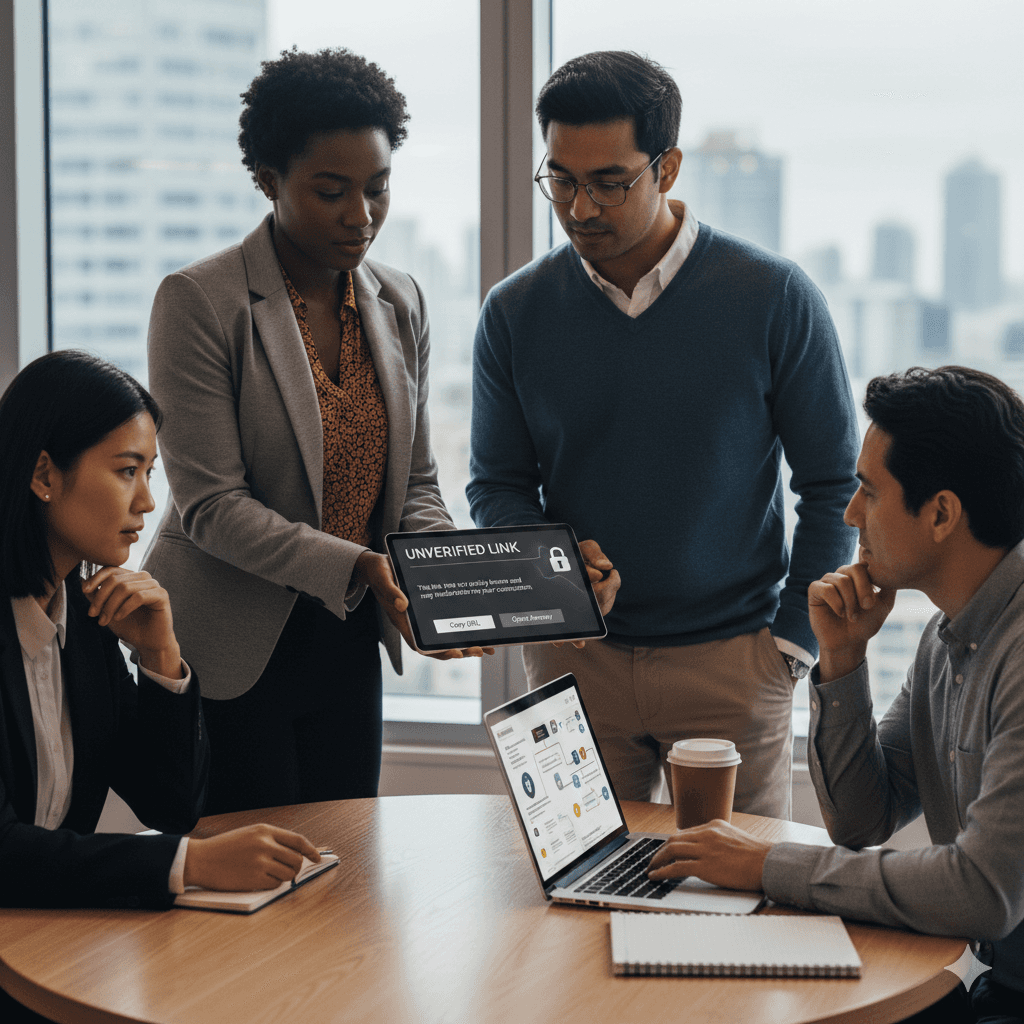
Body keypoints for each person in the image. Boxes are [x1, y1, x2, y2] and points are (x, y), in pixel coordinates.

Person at [468, 50, 858, 818]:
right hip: (571, 657)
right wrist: (553, 568)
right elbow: (497, 485)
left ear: (668, 167)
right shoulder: (514, 312)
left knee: (735, 908)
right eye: (561, 179)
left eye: (609, 182)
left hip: (732, 662)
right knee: (570, 900)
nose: (580, 207)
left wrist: (789, 646)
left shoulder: (774, 297)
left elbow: (833, 483)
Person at [143, 48, 489, 815]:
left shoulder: (401, 302)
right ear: (267, 181)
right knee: (249, 886)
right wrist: (363, 565)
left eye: (377, 188)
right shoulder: (200, 302)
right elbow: (211, 508)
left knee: (347, 875)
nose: (360, 216)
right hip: (229, 641)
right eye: (331, 192)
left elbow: (417, 488)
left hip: (344, 640)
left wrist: (444, 586)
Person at [647, 366, 1024, 1024]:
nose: (851, 514)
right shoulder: (947, 636)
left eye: (870, 493)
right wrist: (843, 657)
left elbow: (982, 892)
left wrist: (769, 865)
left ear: (940, 514)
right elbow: (861, 821)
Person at [0, 352, 321, 1023]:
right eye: (127, 472)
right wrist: (189, 865)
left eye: (150, 473)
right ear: (42, 474)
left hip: (45, 943)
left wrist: (162, 657)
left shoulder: (81, 624)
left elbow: (170, 804)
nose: (148, 501)